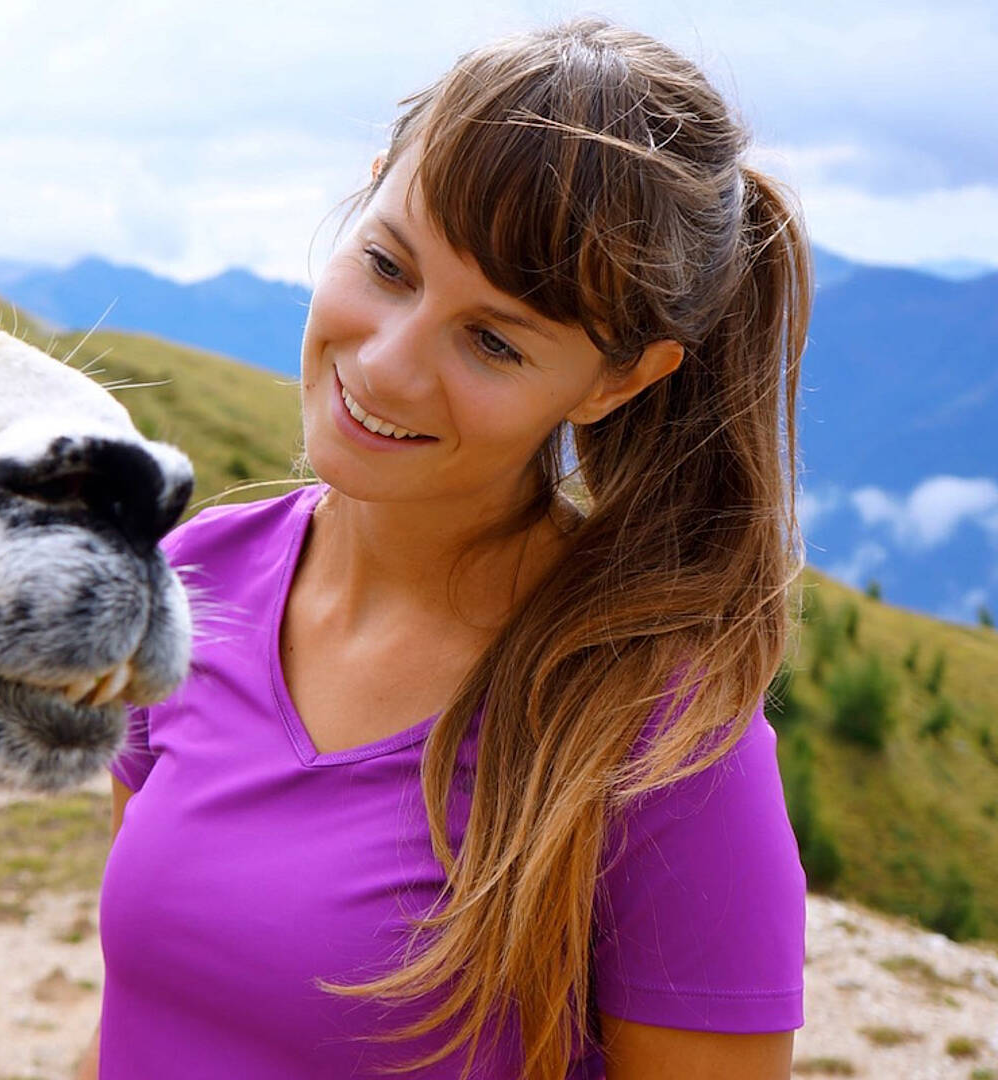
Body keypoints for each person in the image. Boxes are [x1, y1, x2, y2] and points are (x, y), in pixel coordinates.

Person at [85, 20, 808, 1080]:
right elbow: (134, 1019)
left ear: (621, 379)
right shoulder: (193, 581)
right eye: (387, 265)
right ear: (369, 189)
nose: (386, 364)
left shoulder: (663, 738)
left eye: (494, 340)